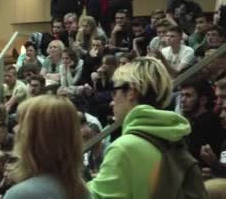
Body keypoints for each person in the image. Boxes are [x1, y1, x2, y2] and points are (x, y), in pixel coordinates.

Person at [88, 57, 206, 198]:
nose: (112, 101)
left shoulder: (125, 148)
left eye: (115, 91)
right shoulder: (173, 136)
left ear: (131, 92)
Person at [4, 95, 87, 199]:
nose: (15, 129)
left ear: (36, 136)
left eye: (21, 124)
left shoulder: (22, 194)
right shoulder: (80, 188)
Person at [179, 80, 223, 166]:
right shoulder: (195, 121)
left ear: (203, 100)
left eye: (188, 96)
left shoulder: (208, 123)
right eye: (182, 95)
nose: (183, 100)